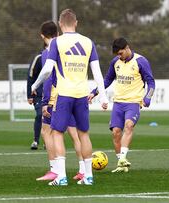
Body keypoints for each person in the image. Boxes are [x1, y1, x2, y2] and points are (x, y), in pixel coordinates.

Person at [31, 9, 108, 186]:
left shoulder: (57, 42)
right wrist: (103, 97)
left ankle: (62, 177)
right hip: (82, 95)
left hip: (64, 95)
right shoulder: (88, 42)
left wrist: (35, 85)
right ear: (76, 22)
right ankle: (88, 177)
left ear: (60, 24)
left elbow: (48, 69)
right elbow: (97, 73)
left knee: (57, 133)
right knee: (83, 134)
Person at [89, 37, 155, 173]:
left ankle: (123, 158)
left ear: (127, 48)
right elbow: (107, 80)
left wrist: (147, 98)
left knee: (129, 126)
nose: (119, 56)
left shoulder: (141, 61)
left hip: (133, 102)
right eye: (117, 55)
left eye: (120, 53)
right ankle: (121, 163)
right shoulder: (115, 62)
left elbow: (151, 82)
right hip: (118, 102)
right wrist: (94, 92)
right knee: (116, 133)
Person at [35, 20, 85, 182]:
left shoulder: (49, 51)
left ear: (42, 36)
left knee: (47, 132)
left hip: (56, 98)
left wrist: (45, 102)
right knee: (75, 134)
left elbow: (49, 78)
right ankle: (83, 170)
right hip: (74, 94)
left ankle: (55, 171)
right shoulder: (68, 46)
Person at [26, 39, 44, 150]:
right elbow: (31, 77)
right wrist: (29, 95)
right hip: (39, 94)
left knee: (50, 118)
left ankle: (48, 141)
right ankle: (36, 141)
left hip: (54, 94)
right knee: (39, 115)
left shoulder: (59, 56)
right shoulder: (39, 58)